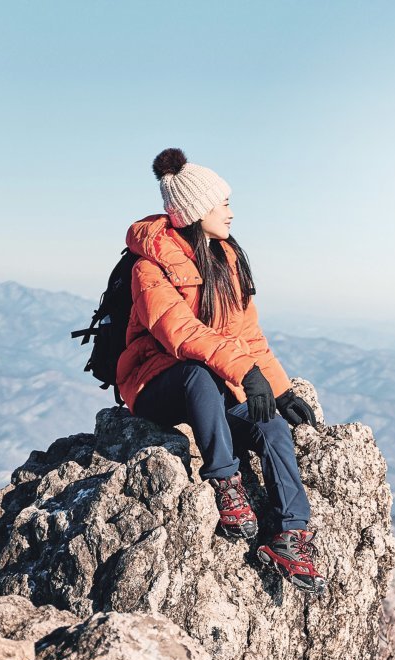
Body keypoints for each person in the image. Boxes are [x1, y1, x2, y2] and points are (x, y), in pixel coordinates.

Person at [115, 148, 326, 596]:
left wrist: (278, 388)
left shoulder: (227, 260)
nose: (231, 213)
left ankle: (292, 535)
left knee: (269, 422)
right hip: (157, 383)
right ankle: (226, 482)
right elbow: (180, 332)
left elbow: (248, 335)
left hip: (212, 386)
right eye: (223, 204)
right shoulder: (147, 267)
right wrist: (243, 373)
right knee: (199, 374)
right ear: (195, 212)